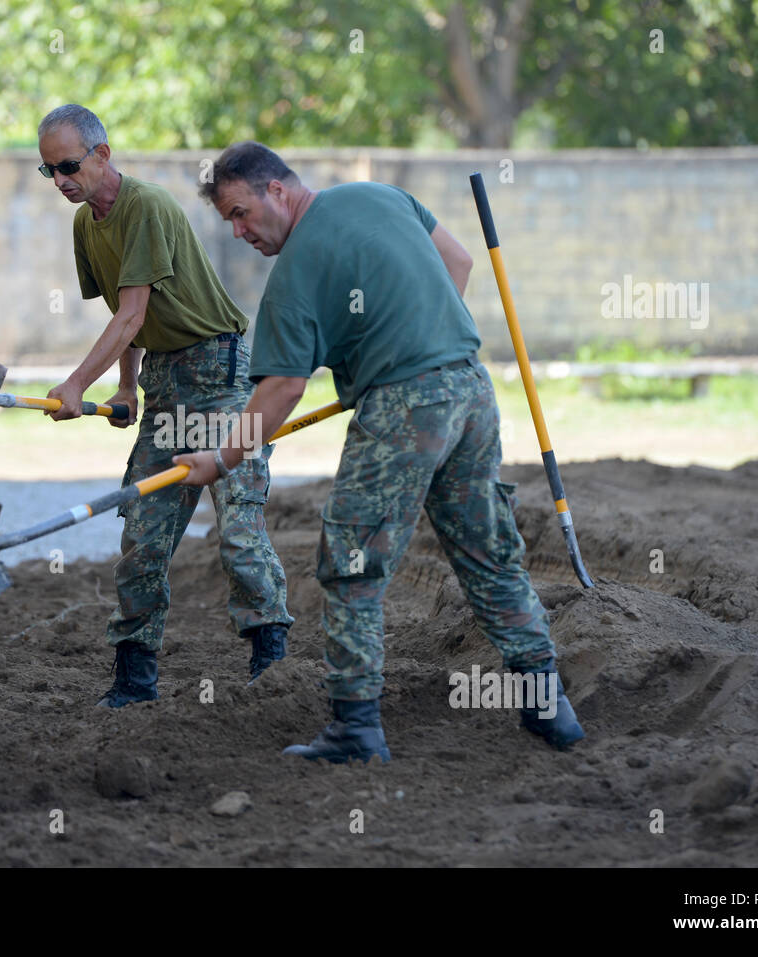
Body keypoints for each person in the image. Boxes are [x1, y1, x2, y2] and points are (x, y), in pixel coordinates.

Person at [174, 141, 585, 761]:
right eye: (229, 221)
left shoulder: (293, 274)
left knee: (352, 562)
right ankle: (550, 707)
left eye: (240, 213)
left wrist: (220, 460)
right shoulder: (382, 197)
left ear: (277, 192)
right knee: (488, 551)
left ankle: (355, 728)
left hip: (403, 407)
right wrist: (408, 334)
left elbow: (281, 388)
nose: (237, 232)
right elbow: (461, 262)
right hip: (469, 389)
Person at [37, 108, 293, 707]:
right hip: (165, 383)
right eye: (48, 170)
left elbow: (131, 312)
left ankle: (272, 667)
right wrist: (126, 390)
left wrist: (75, 385)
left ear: (102, 153)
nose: (60, 180)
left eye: (69, 165)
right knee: (143, 538)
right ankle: (134, 679)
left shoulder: (145, 205)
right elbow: (129, 319)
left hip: (222, 376)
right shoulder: (86, 225)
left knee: (238, 531)